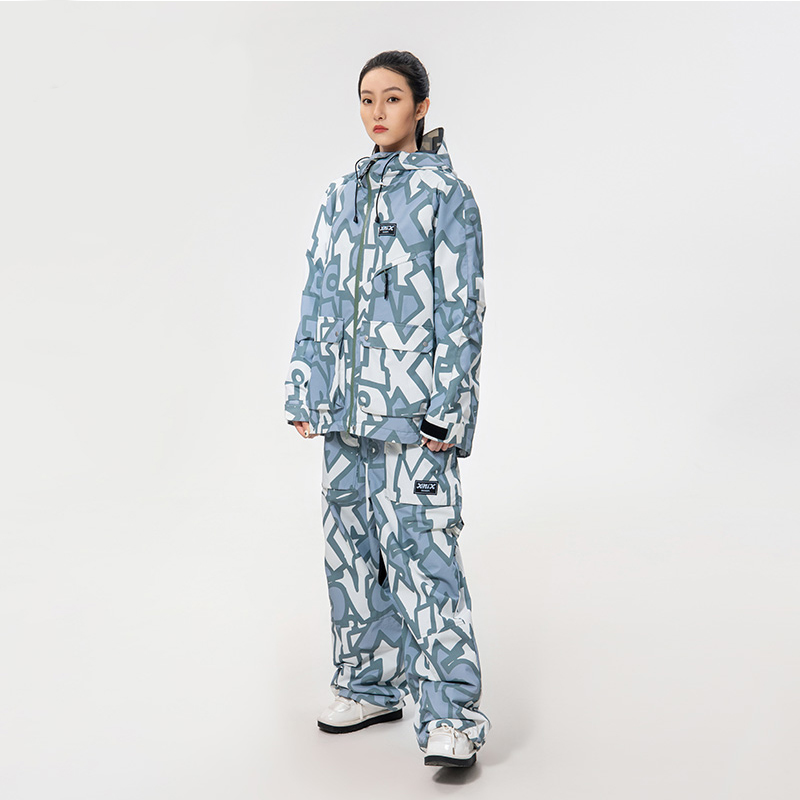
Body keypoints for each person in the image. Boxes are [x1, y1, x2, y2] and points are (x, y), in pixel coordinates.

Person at [284, 49, 491, 768]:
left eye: (393, 98)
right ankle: (367, 684)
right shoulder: (340, 195)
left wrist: (448, 409)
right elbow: (317, 293)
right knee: (351, 555)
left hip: (414, 420)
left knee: (424, 558)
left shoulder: (446, 195)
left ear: (421, 107)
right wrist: (305, 384)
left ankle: (453, 718)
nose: (378, 112)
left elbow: (462, 310)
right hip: (344, 416)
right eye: (367, 98)